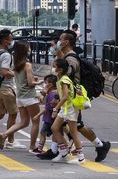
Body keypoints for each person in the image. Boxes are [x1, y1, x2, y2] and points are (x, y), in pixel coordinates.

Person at [41, 31, 112, 162]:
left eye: (60, 40)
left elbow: (68, 76)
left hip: (71, 99)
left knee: (75, 126)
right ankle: (58, 150)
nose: (58, 42)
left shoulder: (71, 59)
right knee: (60, 125)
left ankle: (95, 147)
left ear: (66, 42)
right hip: (67, 98)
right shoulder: (67, 56)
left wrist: (58, 97)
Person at [2, 41, 39, 152]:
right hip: (29, 97)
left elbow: (23, 79)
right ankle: (32, 146)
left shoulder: (16, 64)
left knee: (24, 122)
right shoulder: (27, 65)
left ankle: (5, 134)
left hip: (20, 97)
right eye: (28, 48)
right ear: (25, 51)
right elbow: (30, 83)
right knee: (35, 122)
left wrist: (33, 79)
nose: (30, 50)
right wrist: (40, 83)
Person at [49, 58, 85, 165]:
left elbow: (64, 97)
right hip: (65, 109)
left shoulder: (64, 80)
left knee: (73, 133)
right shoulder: (62, 79)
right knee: (54, 128)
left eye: (54, 66)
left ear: (59, 70)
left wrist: (55, 109)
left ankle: (81, 158)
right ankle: (64, 152)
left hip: (70, 109)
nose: (52, 68)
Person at [35, 74, 58, 156]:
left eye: (45, 83)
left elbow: (47, 108)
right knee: (54, 133)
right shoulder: (51, 94)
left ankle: (41, 148)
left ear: (50, 84)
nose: (44, 84)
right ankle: (41, 148)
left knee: (44, 132)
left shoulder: (52, 95)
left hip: (50, 119)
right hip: (50, 118)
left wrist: (38, 115)